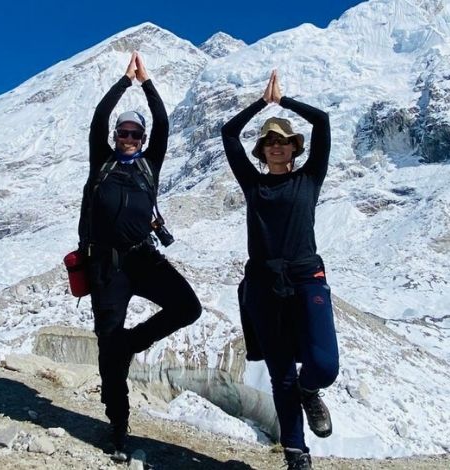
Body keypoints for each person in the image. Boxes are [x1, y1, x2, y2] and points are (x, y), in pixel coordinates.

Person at [78, 51, 202, 460]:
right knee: (108, 348)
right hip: (107, 267)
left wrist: (146, 82)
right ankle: (117, 424)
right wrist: (123, 82)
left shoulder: (150, 164)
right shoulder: (103, 162)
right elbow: (98, 118)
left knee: (188, 306)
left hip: (143, 258)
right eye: (123, 133)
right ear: (115, 137)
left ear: (143, 141)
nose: (128, 139)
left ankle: (133, 342)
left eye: (135, 135)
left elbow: (163, 123)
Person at [221, 70, 338, 470]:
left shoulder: (310, 179)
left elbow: (321, 121)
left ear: (294, 149)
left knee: (324, 365)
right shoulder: (254, 186)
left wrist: (282, 103)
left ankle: (311, 391)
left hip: (307, 279)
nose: (275, 147)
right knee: (281, 375)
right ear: (262, 150)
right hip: (263, 285)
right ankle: (295, 453)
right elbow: (228, 133)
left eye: (282, 142)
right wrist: (260, 104)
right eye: (269, 142)